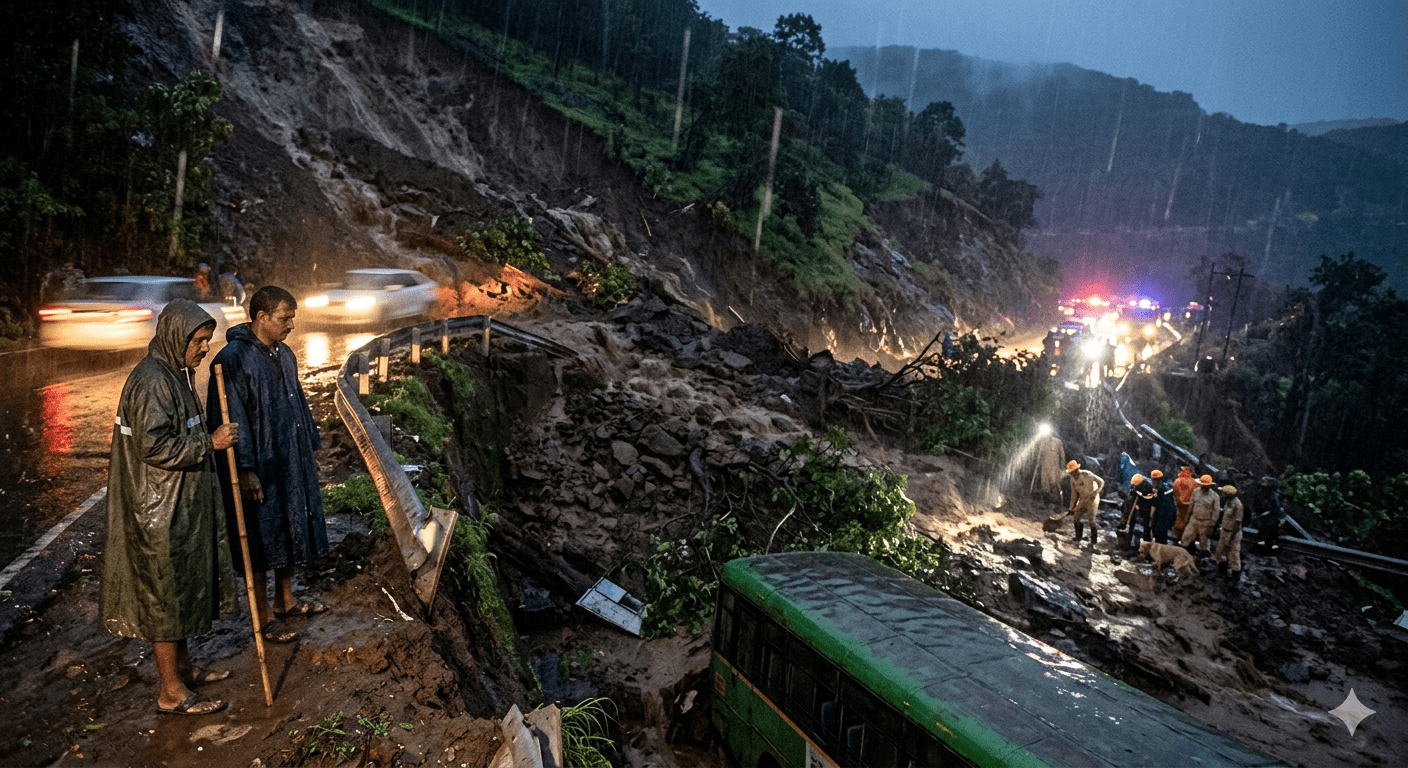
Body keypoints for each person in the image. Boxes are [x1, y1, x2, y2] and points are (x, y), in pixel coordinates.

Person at [99, 299, 239, 716]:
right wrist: (209, 443)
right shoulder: (152, 381)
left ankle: (185, 670)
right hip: (157, 507)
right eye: (198, 341)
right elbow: (152, 444)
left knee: (178, 590)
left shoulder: (176, 373)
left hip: (178, 501)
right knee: (165, 596)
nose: (203, 348)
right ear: (177, 337)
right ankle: (171, 692)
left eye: (206, 341)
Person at [207, 285, 328, 644]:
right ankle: (261, 618)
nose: (291, 324)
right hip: (258, 464)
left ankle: (285, 599)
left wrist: (308, 445)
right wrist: (244, 469)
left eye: (292, 317)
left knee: (289, 527)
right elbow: (230, 418)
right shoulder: (232, 360)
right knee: (259, 539)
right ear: (261, 318)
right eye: (285, 318)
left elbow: (297, 403)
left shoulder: (285, 354)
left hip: (289, 458)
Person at [1066, 459, 1105, 545]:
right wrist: (1071, 507)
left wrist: (1096, 492)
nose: (1073, 475)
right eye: (1071, 473)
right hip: (1083, 499)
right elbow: (1074, 494)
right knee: (1076, 517)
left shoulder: (1087, 474)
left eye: (1074, 472)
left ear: (1077, 470)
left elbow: (1101, 481)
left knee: (1091, 520)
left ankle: (1093, 541)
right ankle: (1078, 537)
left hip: (1092, 499)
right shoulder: (1072, 479)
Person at [1181, 474, 1220, 556]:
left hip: (1206, 522)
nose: (1203, 487)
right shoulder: (1196, 491)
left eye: (1205, 485)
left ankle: (1203, 560)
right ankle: (1184, 555)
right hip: (1194, 519)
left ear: (1210, 485)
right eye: (1202, 485)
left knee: (1204, 542)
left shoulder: (1215, 496)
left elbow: (1216, 512)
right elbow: (1191, 504)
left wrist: (1211, 525)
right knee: (1186, 537)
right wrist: (1187, 517)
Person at [1215, 485, 1245, 581]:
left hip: (1233, 534)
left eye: (1224, 493)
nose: (1222, 495)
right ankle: (1222, 571)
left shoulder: (1238, 505)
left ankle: (1235, 576)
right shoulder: (1228, 503)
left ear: (1228, 495)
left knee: (1234, 555)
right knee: (1220, 551)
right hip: (1224, 530)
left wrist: (1230, 540)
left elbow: (1237, 523)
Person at [1123, 473, 1158, 549]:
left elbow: (1154, 501)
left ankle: (1147, 541)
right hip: (1138, 500)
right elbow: (1132, 493)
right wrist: (1135, 504)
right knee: (1132, 517)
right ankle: (1128, 538)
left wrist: (1151, 514)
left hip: (1148, 503)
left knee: (1147, 522)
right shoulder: (1135, 483)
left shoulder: (1150, 487)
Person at [1150, 469, 1177, 544]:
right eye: (1154, 480)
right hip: (1159, 517)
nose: (1155, 482)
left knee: (1160, 537)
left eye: (1157, 481)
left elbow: (1169, 507)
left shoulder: (1164, 491)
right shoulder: (1165, 489)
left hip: (1163, 518)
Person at [1171, 466, 1196, 540]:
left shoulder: (1177, 481)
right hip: (1189, 507)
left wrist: (1179, 501)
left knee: (1179, 523)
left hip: (1180, 506)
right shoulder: (1194, 482)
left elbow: (1176, 493)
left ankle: (1178, 538)